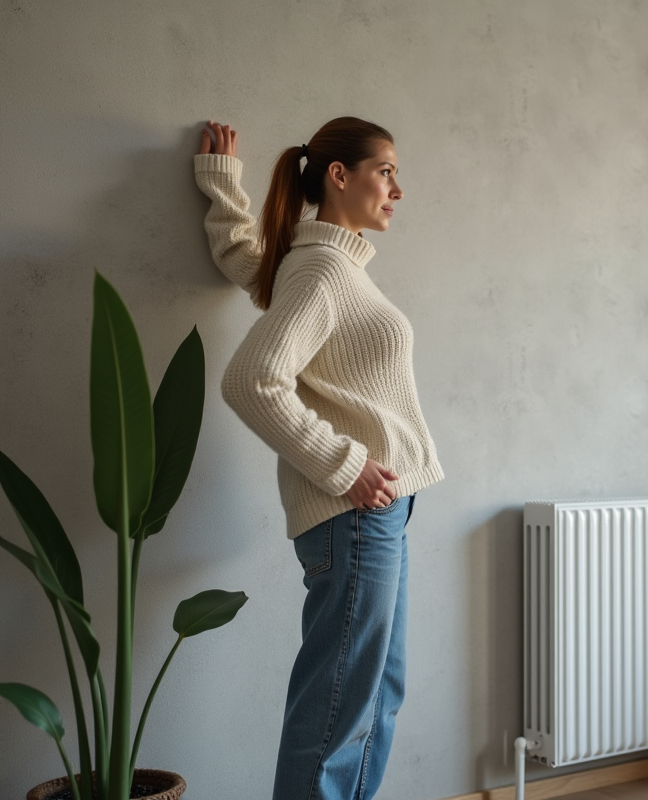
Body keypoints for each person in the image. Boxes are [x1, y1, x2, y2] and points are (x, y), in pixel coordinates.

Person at [194, 118, 444, 800]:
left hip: (371, 517)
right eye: (386, 170)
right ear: (340, 175)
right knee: (340, 708)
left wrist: (223, 191)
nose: (398, 187)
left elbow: (250, 264)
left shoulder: (316, 263)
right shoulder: (324, 270)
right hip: (356, 513)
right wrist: (346, 466)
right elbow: (252, 379)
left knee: (371, 699)